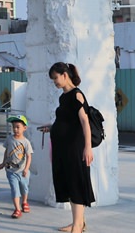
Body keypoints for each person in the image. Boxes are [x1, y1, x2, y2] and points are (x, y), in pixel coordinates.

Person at [39, 62, 94, 233]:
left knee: (76, 184)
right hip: (63, 148)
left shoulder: (76, 95)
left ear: (65, 75)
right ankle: (78, 222)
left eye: (56, 78)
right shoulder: (63, 97)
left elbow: (85, 122)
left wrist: (88, 147)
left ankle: (77, 226)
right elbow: (65, 121)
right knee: (69, 184)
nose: (54, 82)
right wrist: (52, 126)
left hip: (74, 148)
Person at [0, 114, 33, 217]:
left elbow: (29, 156)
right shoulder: (9, 139)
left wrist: (26, 169)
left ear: (24, 128)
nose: (15, 129)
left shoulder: (26, 142)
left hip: (22, 172)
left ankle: (24, 202)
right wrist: (3, 163)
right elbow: (6, 152)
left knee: (24, 188)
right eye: (14, 127)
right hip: (11, 171)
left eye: (18, 127)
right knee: (14, 189)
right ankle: (17, 209)